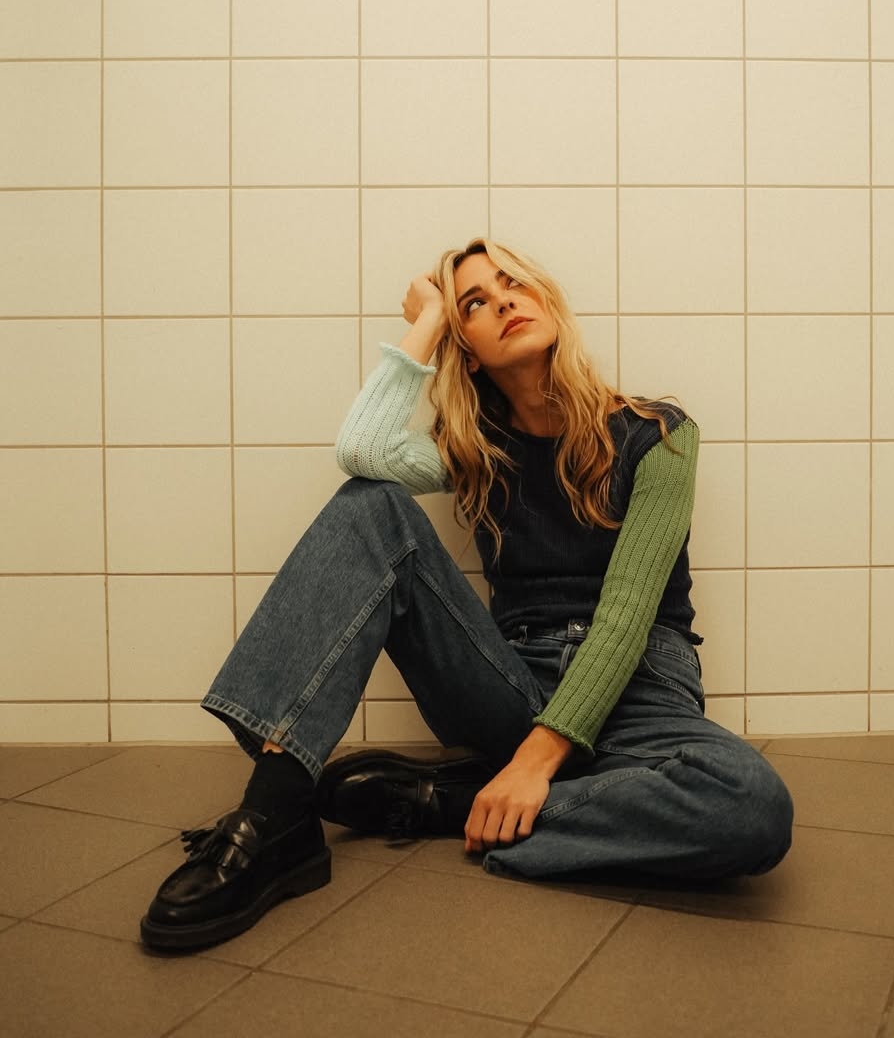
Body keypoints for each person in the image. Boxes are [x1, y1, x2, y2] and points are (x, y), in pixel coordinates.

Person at [141, 238, 793, 952]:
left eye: (514, 283)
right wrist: (427, 321)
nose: (504, 300)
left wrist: (534, 764)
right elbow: (362, 452)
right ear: (469, 351)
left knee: (750, 803)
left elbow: (626, 618)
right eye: (476, 302)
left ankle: (453, 803)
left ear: (547, 301)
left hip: (640, 691)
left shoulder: (659, 435)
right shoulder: (478, 451)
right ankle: (275, 813)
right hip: (512, 684)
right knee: (370, 506)